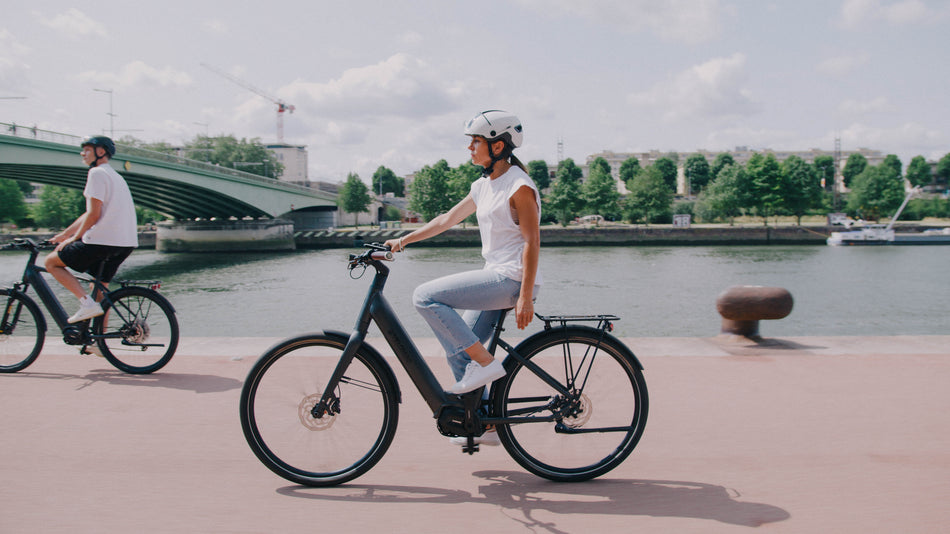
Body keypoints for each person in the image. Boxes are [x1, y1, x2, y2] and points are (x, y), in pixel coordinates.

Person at [384, 110, 541, 445]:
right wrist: (403, 240)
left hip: (510, 280)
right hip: (494, 277)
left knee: (425, 297)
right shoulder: (483, 185)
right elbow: (446, 219)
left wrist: (525, 295)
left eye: (476, 142)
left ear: (498, 147)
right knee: (458, 349)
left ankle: (486, 363)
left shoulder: (519, 186)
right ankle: (484, 422)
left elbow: (531, 240)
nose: (470, 148)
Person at [45, 136, 138, 333]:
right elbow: (90, 213)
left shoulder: (96, 173)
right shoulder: (116, 176)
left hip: (102, 241)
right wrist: (65, 234)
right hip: (125, 243)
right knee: (99, 290)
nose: (82, 153)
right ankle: (99, 341)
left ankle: (85, 304)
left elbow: (94, 215)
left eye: (87, 150)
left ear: (101, 152)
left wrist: (74, 238)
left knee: (51, 263)